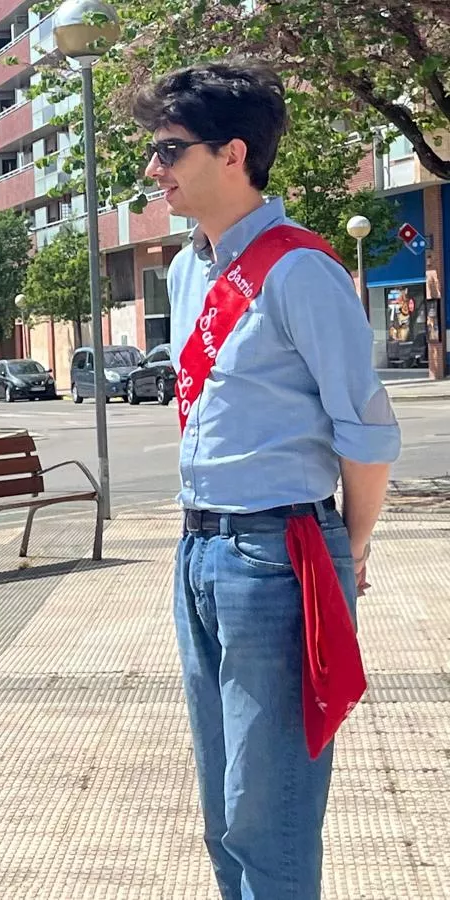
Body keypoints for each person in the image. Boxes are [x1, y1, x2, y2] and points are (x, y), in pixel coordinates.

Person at [134, 61, 400, 898]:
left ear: (235, 153)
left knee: (270, 805)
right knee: (220, 804)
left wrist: (344, 549)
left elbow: (368, 437)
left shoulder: (303, 272)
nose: (155, 169)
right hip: (198, 548)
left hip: (277, 552)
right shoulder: (186, 271)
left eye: (172, 150)